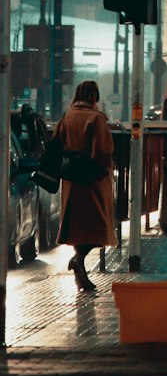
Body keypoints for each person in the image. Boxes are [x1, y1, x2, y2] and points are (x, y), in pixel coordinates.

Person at [55, 80, 116, 293]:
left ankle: (80, 268)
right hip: (92, 181)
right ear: (94, 97)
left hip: (71, 180)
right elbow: (103, 151)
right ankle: (78, 259)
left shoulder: (67, 117)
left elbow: (56, 144)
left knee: (78, 227)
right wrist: (104, 172)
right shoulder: (96, 119)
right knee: (99, 227)